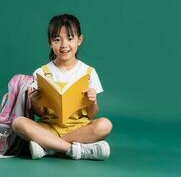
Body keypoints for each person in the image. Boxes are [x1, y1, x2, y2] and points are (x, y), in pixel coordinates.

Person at [12, 14, 113, 160]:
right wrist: (35, 101)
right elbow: (39, 114)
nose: (64, 45)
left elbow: (91, 115)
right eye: (57, 39)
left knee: (105, 125)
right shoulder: (41, 73)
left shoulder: (88, 72)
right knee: (18, 123)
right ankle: (75, 150)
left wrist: (92, 101)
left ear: (80, 40)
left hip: (79, 128)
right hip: (49, 127)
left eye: (70, 38)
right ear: (50, 43)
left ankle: (49, 148)